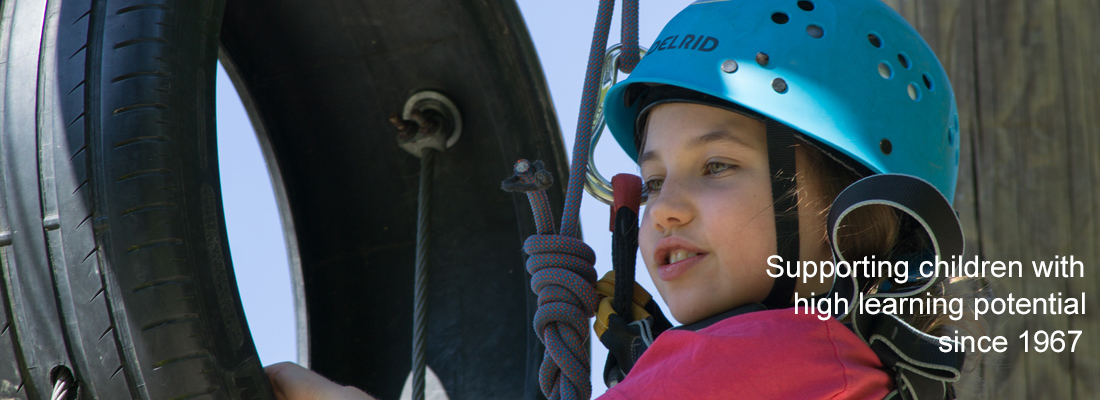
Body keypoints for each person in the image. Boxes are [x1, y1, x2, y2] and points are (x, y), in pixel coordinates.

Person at [268, 0, 970, 398]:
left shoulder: (768, 357)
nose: (664, 209)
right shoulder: (842, 370)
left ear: (858, 220)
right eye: (655, 178)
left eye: (717, 165)